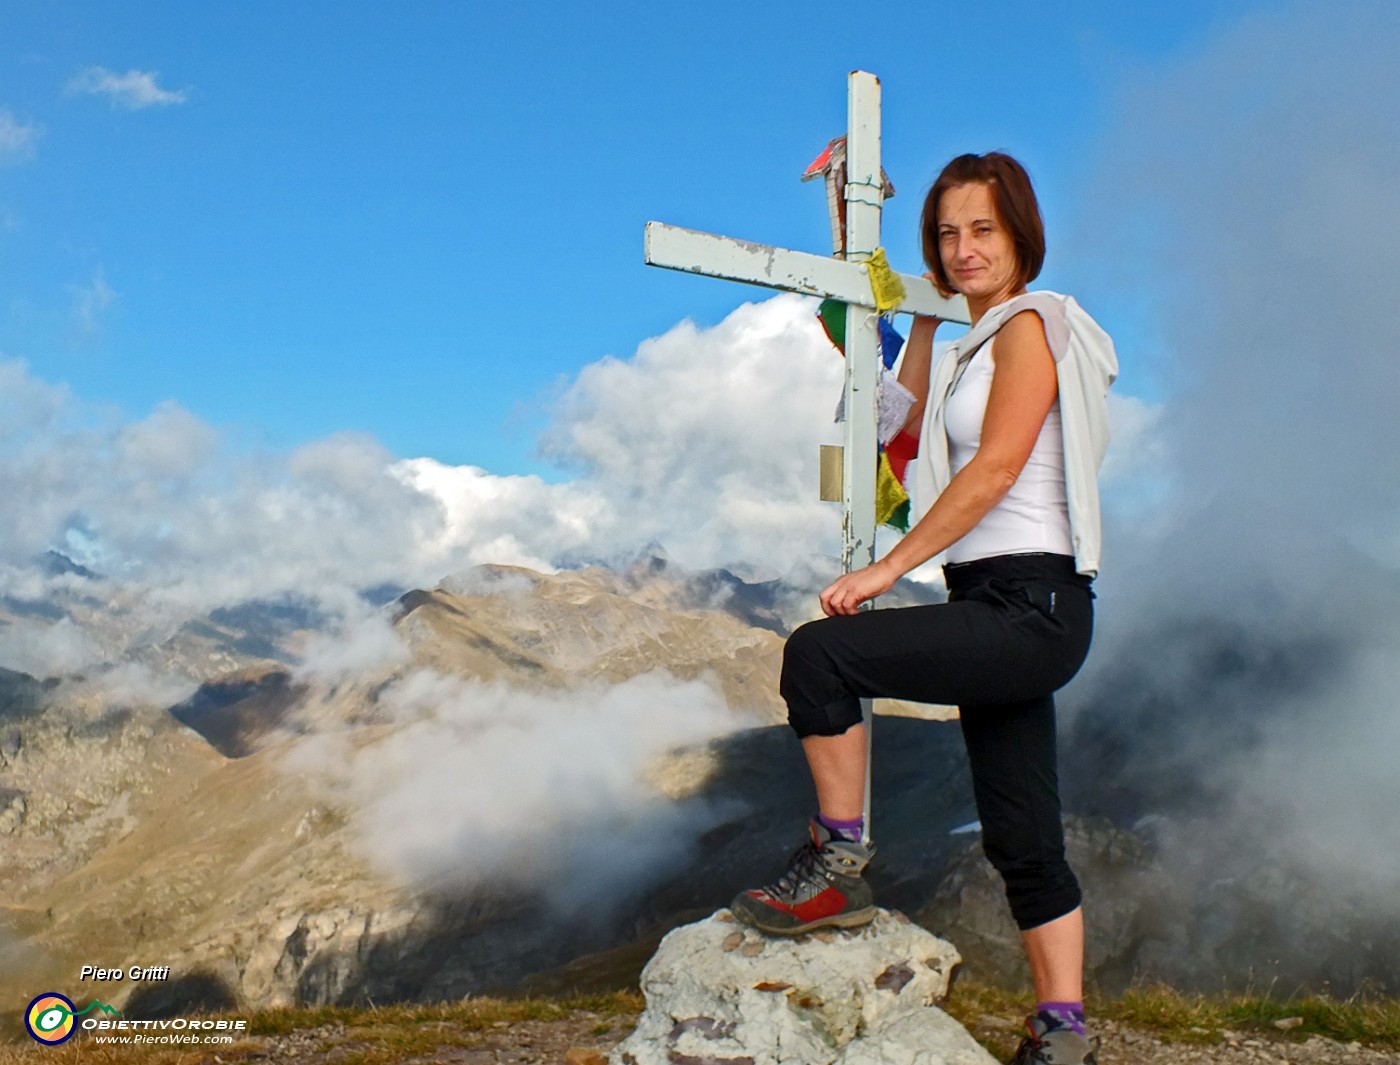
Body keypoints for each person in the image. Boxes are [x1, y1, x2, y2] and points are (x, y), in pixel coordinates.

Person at [729, 152, 1117, 1065]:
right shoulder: (970, 338)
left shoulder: (1034, 322)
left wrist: (886, 571)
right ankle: (1063, 1030)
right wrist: (890, 307)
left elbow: (995, 467)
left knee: (821, 656)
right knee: (1024, 836)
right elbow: (904, 422)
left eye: (982, 228)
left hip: (1034, 599)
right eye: (946, 232)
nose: (963, 247)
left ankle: (836, 864)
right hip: (1000, 601)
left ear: (1021, 231)